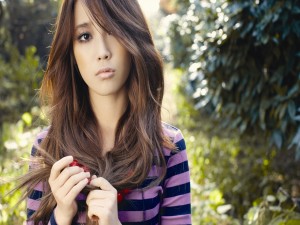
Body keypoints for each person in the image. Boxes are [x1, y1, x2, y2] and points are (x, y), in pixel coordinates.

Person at [19, 0, 191, 224]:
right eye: (85, 36)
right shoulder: (47, 148)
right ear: (71, 52)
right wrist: (61, 216)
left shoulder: (168, 147)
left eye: (113, 30)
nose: (102, 52)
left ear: (133, 38)